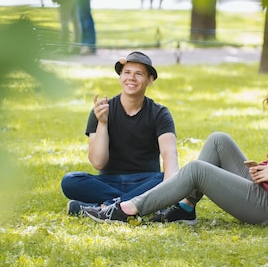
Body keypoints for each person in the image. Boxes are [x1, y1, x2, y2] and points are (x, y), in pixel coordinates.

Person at [83, 74, 268, 225]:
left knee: (197, 170)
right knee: (218, 139)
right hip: (267, 188)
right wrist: (265, 168)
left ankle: (126, 209)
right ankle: (185, 208)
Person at [62, 51, 180, 214]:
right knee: (70, 181)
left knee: (168, 178)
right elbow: (98, 163)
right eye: (127, 73)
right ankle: (131, 204)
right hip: (107, 182)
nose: (131, 78)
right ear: (120, 78)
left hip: (146, 180)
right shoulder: (101, 111)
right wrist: (103, 122)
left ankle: (105, 207)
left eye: (139, 74)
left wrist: (169, 191)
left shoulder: (159, 113)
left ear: (150, 80)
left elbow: (170, 154)